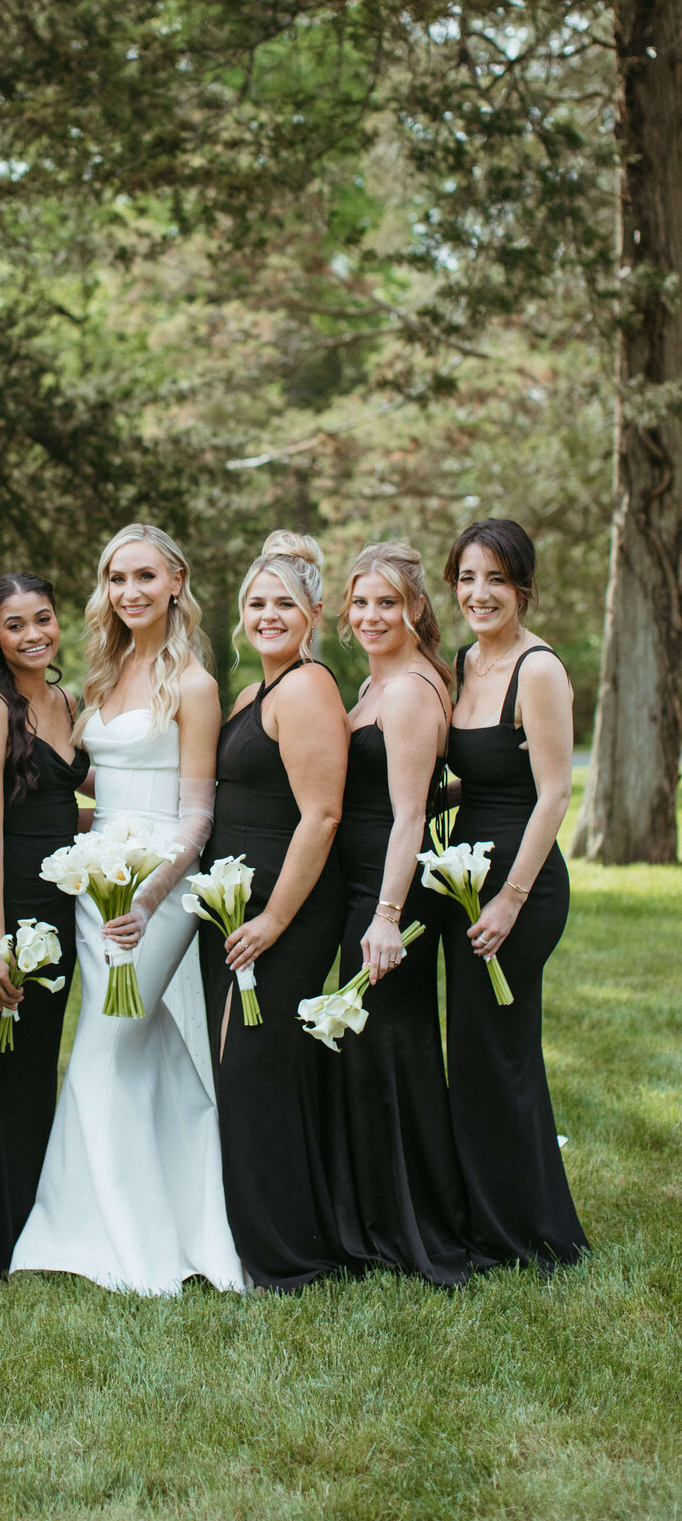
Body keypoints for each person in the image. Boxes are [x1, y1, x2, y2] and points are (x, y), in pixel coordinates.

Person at [11, 524, 244, 1295]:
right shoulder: (104, 675)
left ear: (176, 580)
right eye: (116, 579)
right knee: (142, 1054)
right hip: (94, 878)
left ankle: (113, 1246)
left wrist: (147, 894)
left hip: (160, 889)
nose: (130, 592)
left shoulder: (197, 685)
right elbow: (98, 787)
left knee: (103, 1051)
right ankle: (184, 1218)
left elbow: (197, 816)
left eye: (144, 576)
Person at [198, 534, 351, 1290]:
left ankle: (283, 1256)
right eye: (255, 603)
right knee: (237, 1071)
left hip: (279, 908)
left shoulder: (308, 688)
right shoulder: (251, 693)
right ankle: (247, 1234)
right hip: (231, 904)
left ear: (314, 613)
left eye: (283, 603)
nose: (266, 614)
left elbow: (321, 816)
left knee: (255, 1071)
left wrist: (274, 921)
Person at [443, 519, 587, 1268]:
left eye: (495, 578)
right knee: (473, 1053)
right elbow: (489, 773)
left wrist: (510, 899)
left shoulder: (538, 669)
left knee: (501, 1054)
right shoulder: (464, 663)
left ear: (522, 586)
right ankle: (484, 1214)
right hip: (467, 878)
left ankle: (533, 1233)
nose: (479, 593)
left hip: (519, 888)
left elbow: (554, 793)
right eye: (467, 578)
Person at [332, 540, 472, 1284]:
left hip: (387, 891)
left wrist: (386, 916)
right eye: (360, 602)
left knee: (391, 1049)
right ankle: (374, 1212)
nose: (371, 615)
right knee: (371, 1049)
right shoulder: (376, 682)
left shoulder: (411, 689)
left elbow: (409, 813)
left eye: (387, 601)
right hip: (363, 881)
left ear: (416, 607)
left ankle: (412, 1225)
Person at [0, 574, 89, 1277]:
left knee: (39, 1065)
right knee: (7, 1063)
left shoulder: (66, 700)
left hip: (68, 903)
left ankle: (40, 1219)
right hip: (15, 904)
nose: (34, 634)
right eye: (16, 625)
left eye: (43, 618)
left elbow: (77, 798)